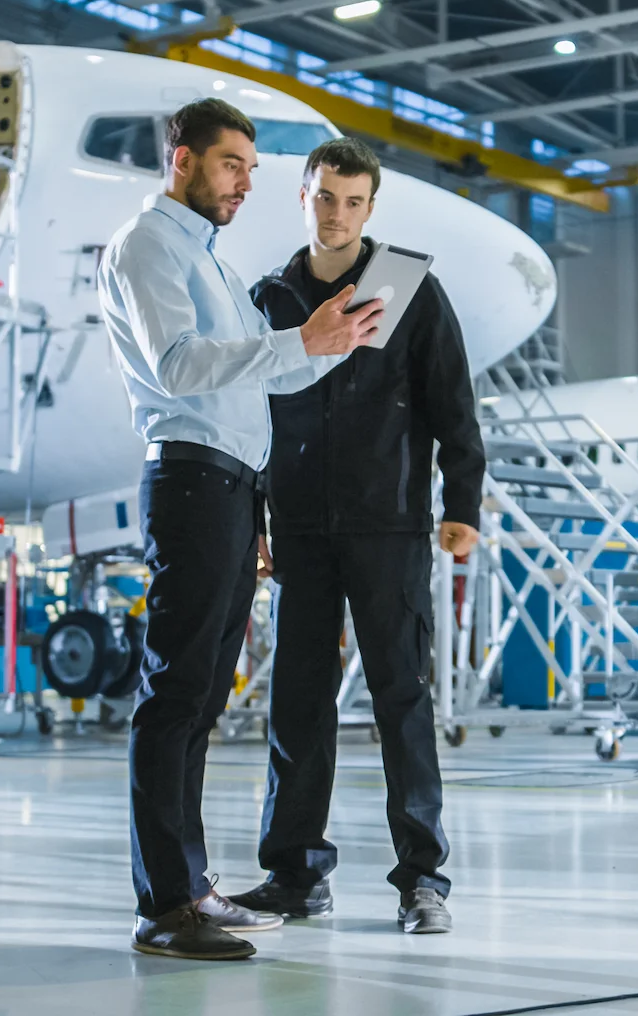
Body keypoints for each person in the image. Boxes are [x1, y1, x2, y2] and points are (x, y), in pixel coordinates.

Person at [98, 99, 383, 961]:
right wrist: (298, 339)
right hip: (187, 481)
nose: (245, 184)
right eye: (232, 166)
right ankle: (164, 906)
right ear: (180, 159)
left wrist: (326, 345)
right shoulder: (148, 246)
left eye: (252, 171)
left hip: (226, 489)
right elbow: (178, 367)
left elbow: (250, 389)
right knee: (175, 694)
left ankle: (189, 886)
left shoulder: (211, 264)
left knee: (201, 700)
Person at [230, 137, 484, 935]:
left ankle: (423, 880)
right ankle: (296, 874)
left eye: (352, 201)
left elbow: (454, 409)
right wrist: (255, 519)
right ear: (302, 197)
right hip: (301, 529)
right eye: (323, 197)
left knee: (402, 699)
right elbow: (246, 416)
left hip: (390, 527)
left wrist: (463, 505)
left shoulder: (407, 292)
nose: (336, 214)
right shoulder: (268, 297)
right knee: (296, 705)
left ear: (370, 208)